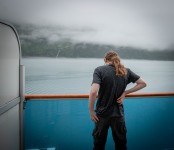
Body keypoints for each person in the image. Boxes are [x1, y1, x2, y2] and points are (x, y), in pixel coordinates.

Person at [88, 50, 147, 150]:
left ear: (105, 60)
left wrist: (91, 110)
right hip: (118, 114)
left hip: (102, 115)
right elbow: (143, 83)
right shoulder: (126, 71)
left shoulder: (99, 70)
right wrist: (125, 92)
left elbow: (93, 91)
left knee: (99, 145)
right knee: (121, 145)